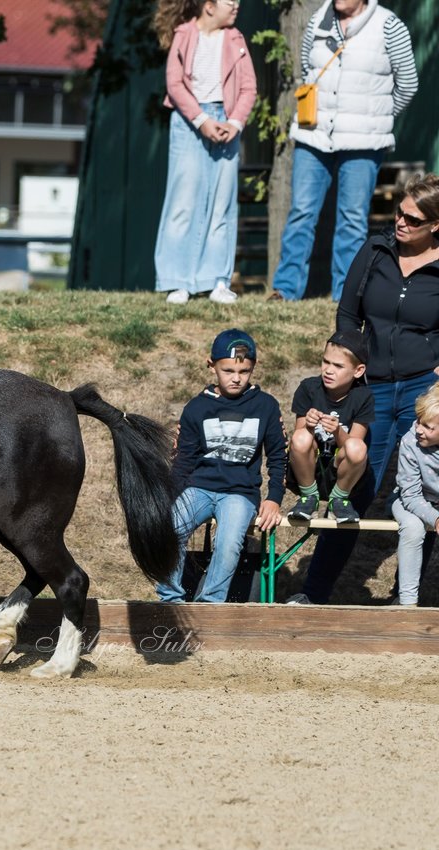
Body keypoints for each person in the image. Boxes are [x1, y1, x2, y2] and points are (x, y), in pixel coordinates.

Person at [292, 173, 439, 603]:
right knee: (354, 491)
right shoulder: (376, 250)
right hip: (370, 390)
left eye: (412, 219)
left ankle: (404, 597)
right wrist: (350, 365)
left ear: (435, 225)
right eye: (398, 212)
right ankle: (314, 592)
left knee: (426, 492)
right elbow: (346, 314)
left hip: (420, 391)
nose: (400, 222)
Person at [269, 0, 418, 302]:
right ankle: (285, 290)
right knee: (301, 213)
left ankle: (344, 295)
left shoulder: (389, 25)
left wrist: (377, 117)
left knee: (351, 219)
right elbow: (305, 72)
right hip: (314, 134)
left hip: (364, 140)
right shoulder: (317, 20)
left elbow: (408, 84)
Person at [156, 329, 286, 603]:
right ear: (211, 365)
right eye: (228, 370)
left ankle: (210, 604)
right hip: (199, 488)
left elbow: (277, 456)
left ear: (253, 368)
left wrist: (274, 498)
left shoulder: (266, 406)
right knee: (170, 527)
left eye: (244, 371)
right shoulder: (196, 408)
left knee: (228, 544)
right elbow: (184, 460)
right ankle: (170, 600)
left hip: (240, 493)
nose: (236, 378)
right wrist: (168, 497)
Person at [152, 0, 257, 306]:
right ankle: (177, 281)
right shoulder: (183, 34)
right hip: (189, 123)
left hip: (225, 121)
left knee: (222, 204)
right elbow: (174, 83)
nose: (236, 6)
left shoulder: (236, 39)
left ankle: (217, 281)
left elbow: (248, 88)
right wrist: (201, 121)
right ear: (209, 6)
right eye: (230, 1)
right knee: (183, 201)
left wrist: (234, 123)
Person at [287, 330, 373, 523]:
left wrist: (337, 431)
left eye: (338, 366)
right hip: (310, 470)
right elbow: (298, 440)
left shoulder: (363, 397)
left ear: (358, 371)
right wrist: (309, 425)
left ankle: (339, 501)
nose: (328, 370)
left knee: (358, 447)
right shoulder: (308, 388)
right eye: (326, 362)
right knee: (300, 436)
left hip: (342, 471)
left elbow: (354, 446)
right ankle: (309, 497)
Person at [389, 386, 439, 606]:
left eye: (428, 427)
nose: (419, 429)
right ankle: (407, 603)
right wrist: (435, 518)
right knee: (413, 527)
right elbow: (410, 495)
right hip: (408, 501)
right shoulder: (411, 442)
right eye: (419, 421)